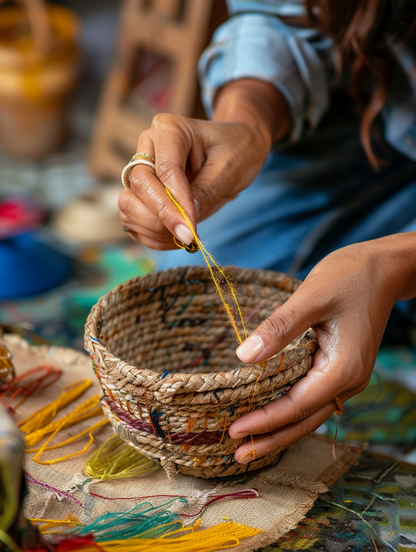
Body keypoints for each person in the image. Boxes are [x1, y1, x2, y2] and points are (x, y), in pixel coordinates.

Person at [118, 0, 416, 464]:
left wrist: (394, 264)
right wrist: (247, 123)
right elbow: (282, 16)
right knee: (190, 270)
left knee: (334, 294)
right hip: (379, 127)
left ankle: (385, 300)